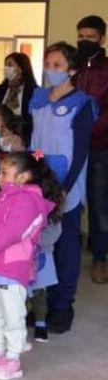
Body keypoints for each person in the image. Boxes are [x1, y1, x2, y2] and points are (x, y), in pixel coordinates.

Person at [0, 152, 63, 380]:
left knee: (13, 316)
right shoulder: (1, 197)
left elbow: (12, 232)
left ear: (22, 177)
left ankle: (12, 360)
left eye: (4, 173)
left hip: (10, 268)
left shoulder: (28, 201)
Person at [30, 42, 97, 334]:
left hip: (66, 183)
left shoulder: (82, 103)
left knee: (65, 245)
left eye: (57, 65)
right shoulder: (38, 98)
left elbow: (80, 151)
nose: (51, 70)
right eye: (48, 64)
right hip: (37, 179)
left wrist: (65, 187)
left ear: (71, 70)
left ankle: (62, 304)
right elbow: (34, 138)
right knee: (38, 243)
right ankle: (40, 303)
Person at [72, 15, 108, 285]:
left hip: (99, 145)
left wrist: (88, 130)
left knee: (98, 203)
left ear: (102, 39)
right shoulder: (72, 65)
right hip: (71, 144)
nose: (85, 41)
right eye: (81, 36)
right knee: (67, 197)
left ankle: (99, 258)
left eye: (90, 37)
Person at [0, 52, 38, 123]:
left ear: (21, 69)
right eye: (5, 65)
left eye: (10, 65)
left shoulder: (33, 91)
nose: (6, 68)